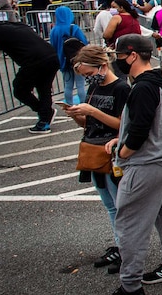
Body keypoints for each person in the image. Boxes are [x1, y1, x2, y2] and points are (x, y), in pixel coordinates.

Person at [106, 34, 162, 295]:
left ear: (132, 55)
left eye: (118, 56)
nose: (117, 62)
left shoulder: (142, 87)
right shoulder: (158, 82)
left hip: (148, 164)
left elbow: (139, 131)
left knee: (130, 225)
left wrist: (124, 152)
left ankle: (130, 285)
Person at [69, 45, 130, 273]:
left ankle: (127, 251)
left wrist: (93, 112)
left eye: (89, 74)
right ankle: (120, 245)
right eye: (85, 76)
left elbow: (124, 125)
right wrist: (78, 116)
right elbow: (88, 124)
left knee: (120, 205)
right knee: (110, 206)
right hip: (93, 149)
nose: (88, 79)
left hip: (112, 153)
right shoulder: (93, 90)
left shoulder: (121, 88)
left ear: (102, 66)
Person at [0, 21, 59, 134]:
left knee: (20, 90)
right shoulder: (21, 26)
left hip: (33, 61)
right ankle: (44, 120)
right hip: (51, 56)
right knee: (44, 88)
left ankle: (45, 113)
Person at [49, 5, 88, 106]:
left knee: (68, 84)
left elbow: (52, 45)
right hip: (77, 59)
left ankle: (69, 105)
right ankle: (83, 104)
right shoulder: (73, 28)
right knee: (80, 84)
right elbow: (83, 42)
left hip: (62, 60)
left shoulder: (54, 30)